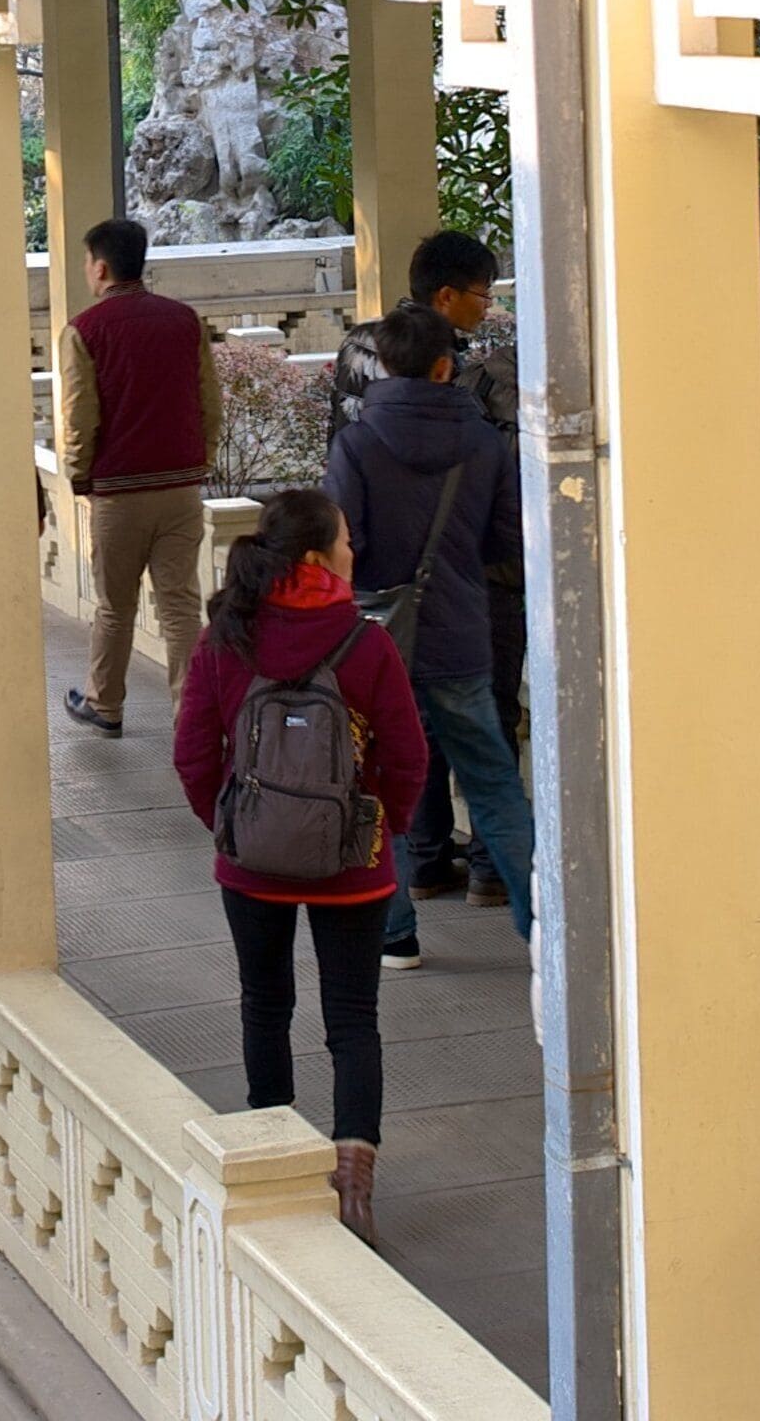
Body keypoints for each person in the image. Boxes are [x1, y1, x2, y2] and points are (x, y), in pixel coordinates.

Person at [171, 487, 424, 1247]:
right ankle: (352, 1185)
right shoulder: (366, 644)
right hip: (354, 867)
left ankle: (274, 1166)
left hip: (252, 870)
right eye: (346, 542)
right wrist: (381, 830)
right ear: (317, 558)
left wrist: (234, 827)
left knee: (264, 1005)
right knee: (352, 1020)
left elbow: (191, 755)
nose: (355, 553)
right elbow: (408, 759)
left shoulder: (225, 639)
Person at [327, 306, 529, 973]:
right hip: (462, 638)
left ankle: (396, 934)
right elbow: (506, 541)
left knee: (377, 785)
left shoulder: (355, 445)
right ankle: (546, 929)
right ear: (447, 367)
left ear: (382, 364)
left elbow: (338, 551)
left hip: (377, 644)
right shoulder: (483, 442)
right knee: (495, 785)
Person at [57, 215, 221, 738]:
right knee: (180, 607)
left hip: (119, 492)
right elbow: (208, 401)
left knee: (114, 605)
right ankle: (190, 714)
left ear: (100, 267)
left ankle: (105, 703)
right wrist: (202, 458)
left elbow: (80, 415)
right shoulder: (184, 320)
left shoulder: (84, 331)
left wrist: (78, 475)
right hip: (180, 487)